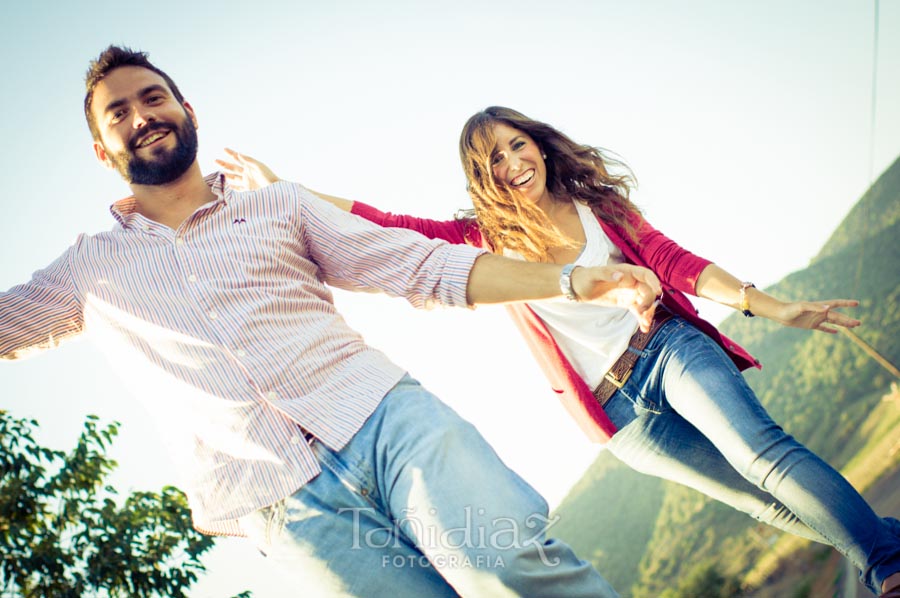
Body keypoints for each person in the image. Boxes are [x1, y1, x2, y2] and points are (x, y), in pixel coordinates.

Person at [0, 50, 687, 598]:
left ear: (187, 109)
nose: (143, 116)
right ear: (101, 148)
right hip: (281, 502)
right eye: (118, 112)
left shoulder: (278, 206)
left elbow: (421, 266)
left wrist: (568, 279)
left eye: (153, 97)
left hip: (389, 426)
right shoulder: (88, 270)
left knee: (512, 570)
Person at [219, 105, 900, 596]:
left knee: (762, 456)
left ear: (539, 145)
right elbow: (383, 225)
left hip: (665, 347)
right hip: (617, 418)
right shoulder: (481, 238)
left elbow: (677, 262)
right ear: (483, 178)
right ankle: (882, 538)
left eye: (517, 146)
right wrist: (287, 190)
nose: (512, 164)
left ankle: (883, 568)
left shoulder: (599, 206)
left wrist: (776, 307)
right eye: (494, 161)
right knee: (758, 502)